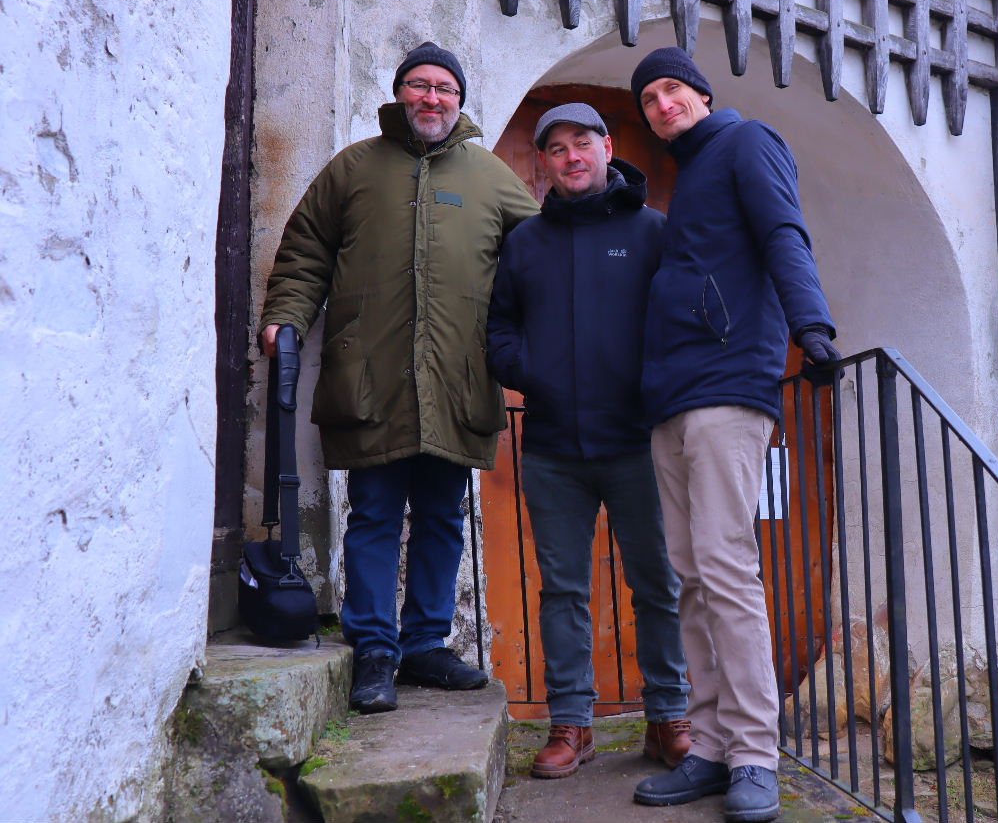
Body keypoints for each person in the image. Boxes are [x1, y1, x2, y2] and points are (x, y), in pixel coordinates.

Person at [259, 41, 539, 714]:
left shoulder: (492, 177)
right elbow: (305, 252)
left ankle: (425, 647)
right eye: (419, 85)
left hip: (457, 380)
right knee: (375, 515)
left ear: (460, 100)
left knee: (442, 517)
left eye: (444, 87)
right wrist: (285, 317)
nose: (431, 98)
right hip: (372, 376)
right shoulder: (354, 168)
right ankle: (375, 650)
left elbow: (540, 263)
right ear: (399, 93)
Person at [627, 48, 840, 823]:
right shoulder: (690, 176)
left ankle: (754, 751)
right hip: (673, 397)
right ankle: (712, 746)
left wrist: (812, 328)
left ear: (704, 94)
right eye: (649, 98)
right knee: (689, 575)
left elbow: (784, 231)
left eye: (672, 89)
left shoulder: (747, 142)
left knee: (724, 566)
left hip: (727, 385)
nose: (662, 104)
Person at [487, 103, 692, 778]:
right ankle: (571, 725)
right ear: (544, 163)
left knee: (658, 584)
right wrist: (529, 371)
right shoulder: (525, 242)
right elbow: (499, 327)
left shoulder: (653, 231)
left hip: (640, 443)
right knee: (563, 592)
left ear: (606, 148)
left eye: (582, 143)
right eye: (556, 148)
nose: (571, 157)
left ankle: (669, 717)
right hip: (553, 448)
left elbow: (682, 320)